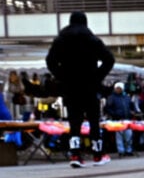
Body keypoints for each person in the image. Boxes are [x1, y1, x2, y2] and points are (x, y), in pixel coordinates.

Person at [45, 11, 115, 167]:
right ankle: (98, 154)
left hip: (70, 86)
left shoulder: (60, 41)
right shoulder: (93, 40)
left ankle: (75, 154)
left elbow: (50, 61)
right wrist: (97, 76)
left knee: (74, 121)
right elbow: (109, 59)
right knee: (93, 120)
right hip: (90, 85)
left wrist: (62, 75)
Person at [103, 82, 136, 156]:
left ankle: (129, 150)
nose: (118, 89)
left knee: (128, 135)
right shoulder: (111, 97)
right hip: (117, 119)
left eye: (120, 88)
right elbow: (107, 108)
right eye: (117, 88)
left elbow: (131, 106)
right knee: (119, 136)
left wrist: (131, 113)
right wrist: (114, 114)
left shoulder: (127, 97)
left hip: (127, 119)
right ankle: (121, 151)